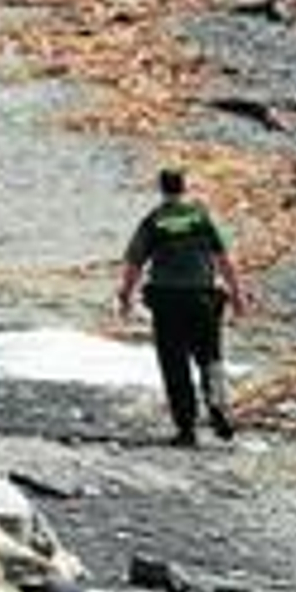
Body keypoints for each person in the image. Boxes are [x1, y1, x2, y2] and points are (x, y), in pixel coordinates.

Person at [117, 168, 249, 446]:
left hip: (167, 303)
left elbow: (134, 263)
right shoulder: (200, 218)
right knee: (210, 359)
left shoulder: (154, 221)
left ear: (161, 189)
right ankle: (219, 411)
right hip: (203, 300)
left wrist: (125, 296)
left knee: (175, 365)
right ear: (183, 187)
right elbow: (223, 259)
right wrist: (237, 295)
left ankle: (186, 428)